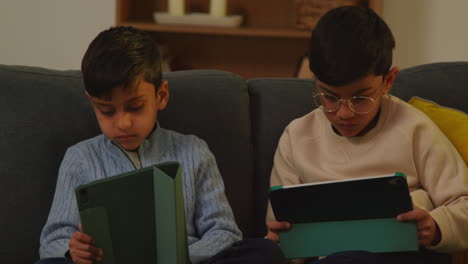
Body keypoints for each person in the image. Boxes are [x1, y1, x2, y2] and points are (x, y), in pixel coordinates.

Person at [36, 26, 284, 264]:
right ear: (93, 104)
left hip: (185, 261)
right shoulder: (80, 158)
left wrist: (180, 257)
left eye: (135, 107)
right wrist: (73, 251)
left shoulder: (194, 152)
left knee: (264, 252)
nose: (122, 123)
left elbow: (224, 232)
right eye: (106, 111)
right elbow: (52, 241)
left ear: (161, 95)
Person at [265, 6, 467, 264]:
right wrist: (280, 240)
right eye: (330, 97)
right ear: (315, 82)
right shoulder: (296, 137)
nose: (344, 114)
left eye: (360, 98)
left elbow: (463, 202)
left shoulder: (414, 128)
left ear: (389, 80)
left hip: (404, 255)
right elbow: (279, 224)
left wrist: (436, 226)